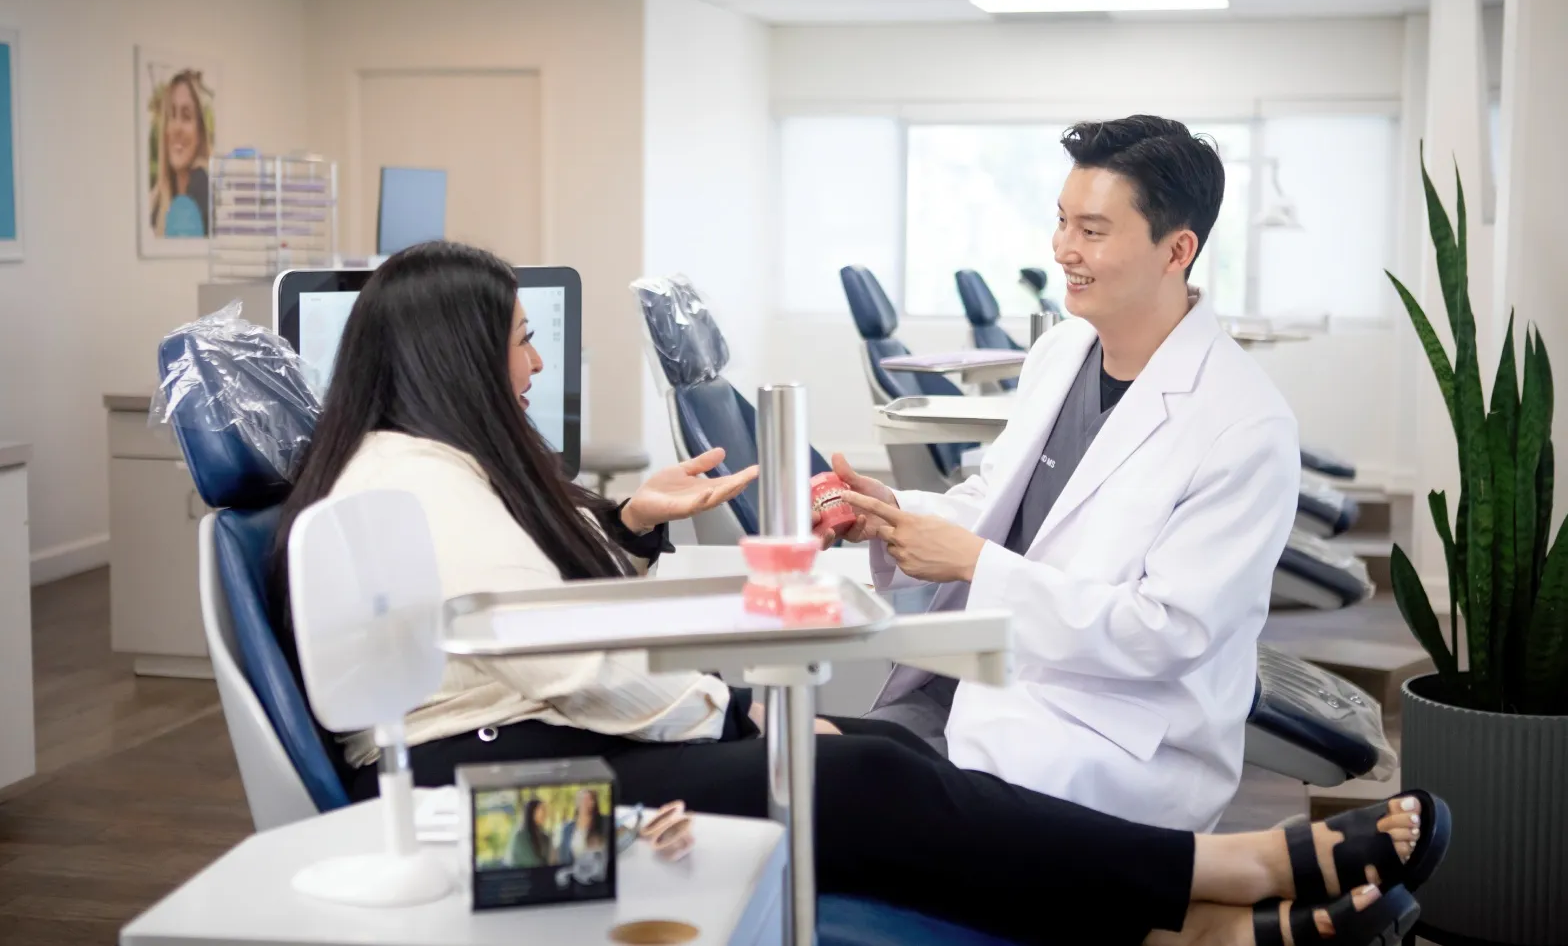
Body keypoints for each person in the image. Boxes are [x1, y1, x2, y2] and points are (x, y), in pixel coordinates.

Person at [268, 242, 1438, 946]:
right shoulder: (414, 480)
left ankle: (1192, 924)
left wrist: (626, 526)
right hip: (492, 828)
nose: (534, 363)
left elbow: (534, 624)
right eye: (521, 342)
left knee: (885, 754)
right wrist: (742, 715)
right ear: (456, 358)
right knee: (867, 764)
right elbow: (568, 660)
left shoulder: (423, 464)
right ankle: (1223, 875)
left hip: (512, 770)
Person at [830, 116, 1300, 834]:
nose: (1063, 250)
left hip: (1109, 732)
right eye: (1060, 222)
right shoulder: (1064, 351)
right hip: (986, 680)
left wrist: (978, 565)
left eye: (1093, 229)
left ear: (1178, 249)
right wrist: (893, 512)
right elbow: (997, 502)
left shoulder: (1245, 424)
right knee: (801, 757)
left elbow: (1165, 633)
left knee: (839, 795)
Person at [151, 70, 211, 240]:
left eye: (186, 116)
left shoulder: (204, 187)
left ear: (199, 132)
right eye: (172, 116)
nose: (177, 127)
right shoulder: (157, 201)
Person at [557, 788, 610, 865]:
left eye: (588, 799)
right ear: (577, 803)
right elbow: (563, 856)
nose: (585, 802)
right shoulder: (567, 829)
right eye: (582, 799)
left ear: (594, 803)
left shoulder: (605, 823)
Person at [507, 798, 553, 869]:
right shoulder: (521, 837)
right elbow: (530, 862)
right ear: (532, 812)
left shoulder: (545, 837)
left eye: (545, 810)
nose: (545, 813)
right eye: (541, 810)